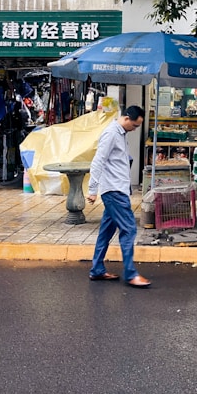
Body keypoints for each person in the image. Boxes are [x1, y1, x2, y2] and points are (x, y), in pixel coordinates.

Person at [87, 105, 151, 288]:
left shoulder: (121, 133)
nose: (135, 129)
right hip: (113, 191)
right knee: (129, 229)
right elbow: (98, 160)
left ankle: (97, 270)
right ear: (126, 118)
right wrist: (92, 189)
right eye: (135, 125)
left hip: (118, 189)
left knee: (106, 232)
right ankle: (131, 274)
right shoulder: (111, 133)